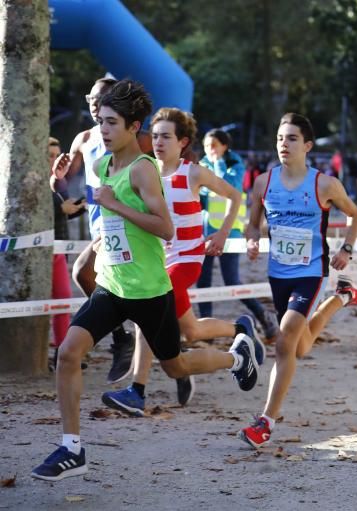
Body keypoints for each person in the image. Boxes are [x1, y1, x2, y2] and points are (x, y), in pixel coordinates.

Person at [32, 80, 264, 482]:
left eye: (111, 123)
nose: (103, 130)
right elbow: (91, 208)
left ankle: (235, 357)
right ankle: (72, 447)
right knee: (69, 352)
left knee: (175, 367)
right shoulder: (104, 164)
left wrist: (115, 204)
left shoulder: (143, 170)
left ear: (132, 126)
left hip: (148, 290)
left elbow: (166, 228)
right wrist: (60, 185)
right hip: (112, 284)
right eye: (100, 121)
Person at [100, 107, 260, 414]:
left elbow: (235, 196)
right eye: (155, 136)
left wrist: (223, 233)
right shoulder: (142, 170)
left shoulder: (193, 173)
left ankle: (137, 391)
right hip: (155, 260)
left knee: (147, 309)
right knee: (192, 332)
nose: (158, 142)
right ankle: (240, 328)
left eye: (166, 137)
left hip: (187, 258)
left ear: (182, 142)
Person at [238, 113, 357, 448]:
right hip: (277, 273)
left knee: (284, 342)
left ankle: (266, 421)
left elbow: (355, 215)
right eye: (281, 138)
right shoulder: (264, 182)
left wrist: (347, 249)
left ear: (307, 145)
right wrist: (252, 239)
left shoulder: (324, 184)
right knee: (301, 344)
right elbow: (252, 224)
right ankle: (342, 298)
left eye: (292, 138)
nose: (284, 144)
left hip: (310, 272)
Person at [63, 77, 134, 384]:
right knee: (141, 302)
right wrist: (60, 182)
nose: (93, 103)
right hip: (97, 226)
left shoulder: (129, 138)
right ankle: (178, 364)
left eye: (100, 97)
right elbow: (69, 185)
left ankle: (119, 338)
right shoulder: (82, 139)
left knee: (82, 272)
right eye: (90, 98)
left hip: (123, 226)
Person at [197, 129, 278, 340]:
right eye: (206, 146)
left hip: (229, 233)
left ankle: (263, 316)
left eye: (214, 145)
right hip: (204, 232)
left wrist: (217, 164)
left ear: (225, 146)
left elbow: (230, 188)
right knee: (203, 283)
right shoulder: (201, 166)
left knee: (232, 281)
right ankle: (207, 331)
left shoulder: (235, 165)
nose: (210, 150)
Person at [48, 137, 86, 350]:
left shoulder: (59, 180)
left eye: (58, 156)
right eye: (50, 156)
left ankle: (62, 350)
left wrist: (83, 205)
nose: (54, 160)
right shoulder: (25, 177)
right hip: (34, 253)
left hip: (58, 251)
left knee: (63, 300)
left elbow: (65, 212)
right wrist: (60, 207)